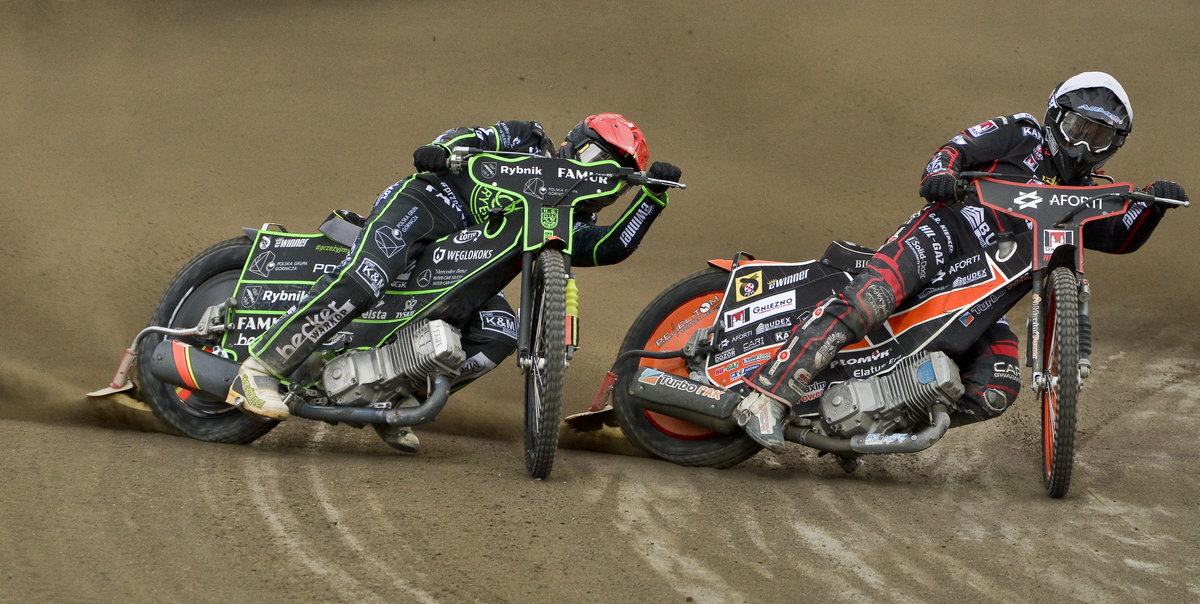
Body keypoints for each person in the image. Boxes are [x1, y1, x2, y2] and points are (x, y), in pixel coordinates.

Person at [735, 71, 1189, 451]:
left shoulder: (1088, 193)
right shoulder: (1022, 131)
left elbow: (1117, 236)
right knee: (870, 298)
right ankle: (768, 397)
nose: (1085, 147)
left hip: (984, 294)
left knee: (999, 387)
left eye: (1101, 137)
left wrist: (1153, 207)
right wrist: (940, 175)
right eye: (1077, 130)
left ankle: (872, 421)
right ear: (1055, 118)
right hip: (945, 235)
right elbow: (955, 149)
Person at [228, 114, 682, 450]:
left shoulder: (565, 217)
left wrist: (651, 197)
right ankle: (260, 368)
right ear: (573, 142)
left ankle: (393, 398)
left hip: (462, 259)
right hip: (430, 202)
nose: (598, 173)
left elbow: (610, 247)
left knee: (500, 332)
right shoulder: (529, 138)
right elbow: (471, 137)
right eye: (595, 155)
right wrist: (441, 149)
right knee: (367, 277)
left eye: (613, 174)